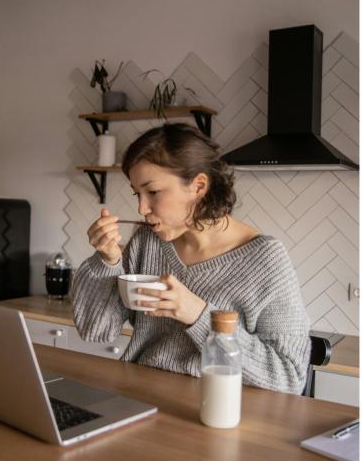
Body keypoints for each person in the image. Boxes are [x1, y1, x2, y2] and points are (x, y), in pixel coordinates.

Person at [72, 123, 310, 394]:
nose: (141, 208)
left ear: (198, 186)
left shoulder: (266, 261)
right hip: (137, 398)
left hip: (212, 411)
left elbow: (289, 377)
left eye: (153, 192)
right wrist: (108, 261)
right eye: (137, 193)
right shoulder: (147, 242)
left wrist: (198, 315)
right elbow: (95, 331)